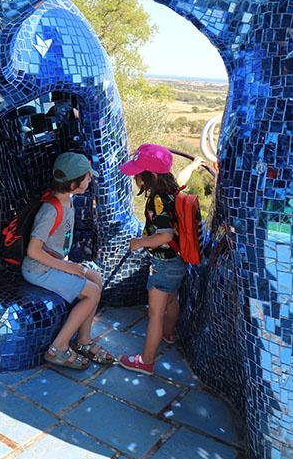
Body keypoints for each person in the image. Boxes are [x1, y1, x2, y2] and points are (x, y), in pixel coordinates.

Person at [22, 152, 114, 370]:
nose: (90, 180)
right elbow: (33, 251)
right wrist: (68, 267)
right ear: (74, 184)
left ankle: (83, 340)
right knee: (91, 292)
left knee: (95, 278)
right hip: (38, 270)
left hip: (52, 264)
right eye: (87, 177)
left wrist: (69, 265)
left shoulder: (67, 200)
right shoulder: (51, 210)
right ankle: (58, 348)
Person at [117, 144, 203, 375]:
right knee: (172, 300)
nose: (136, 178)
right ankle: (168, 334)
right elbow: (183, 175)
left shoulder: (158, 200)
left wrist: (139, 243)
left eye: (139, 174)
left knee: (155, 312)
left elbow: (165, 235)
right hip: (179, 260)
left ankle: (145, 361)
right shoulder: (173, 189)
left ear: (151, 176)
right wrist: (193, 166)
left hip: (164, 264)